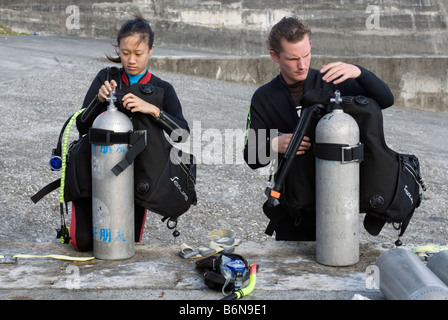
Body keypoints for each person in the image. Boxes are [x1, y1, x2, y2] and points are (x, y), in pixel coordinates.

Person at [243, 17, 394, 241]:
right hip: (293, 209)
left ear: (310, 46)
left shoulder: (333, 82)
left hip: (339, 200)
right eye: (293, 59)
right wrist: (276, 144)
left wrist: (359, 72)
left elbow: (385, 99)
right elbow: (251, 156)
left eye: (305, 55)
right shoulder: (264, 97)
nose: (302, 65)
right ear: (275, 56)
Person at [71, 14, 190, 251]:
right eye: (125, 53)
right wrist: (98, 100)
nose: (131, 60)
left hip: (137, 177)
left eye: (138, 53)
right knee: (83, 242)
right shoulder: (106, 78)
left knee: (125, 243)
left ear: (151, 50)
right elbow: (82, 126)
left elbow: (182, 134)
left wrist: (154, 111)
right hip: (95, 170)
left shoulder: (162, 89)